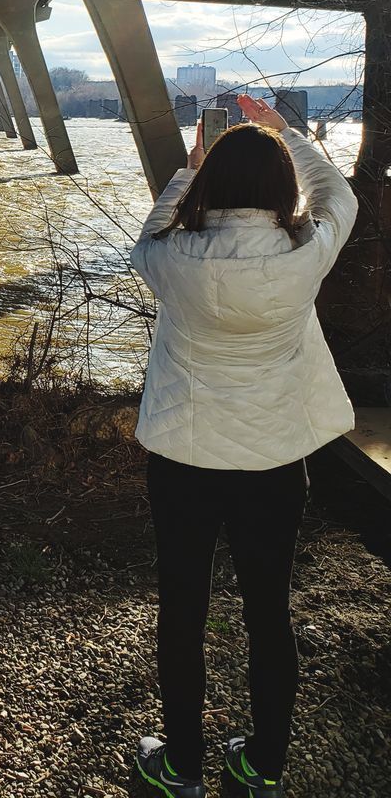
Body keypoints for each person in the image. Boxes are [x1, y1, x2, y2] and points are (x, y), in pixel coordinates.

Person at [128, 94, 358, 797]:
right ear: (281, 190)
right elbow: (338, 197)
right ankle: (260, 767)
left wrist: (188, 167)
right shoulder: (303, 256)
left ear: (211, 186)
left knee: (183, 609)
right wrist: (290, 134)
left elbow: (147, 234)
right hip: (272, 465)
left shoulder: (172, 260)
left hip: (183, 462)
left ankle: (182, 768)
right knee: (268, 611)